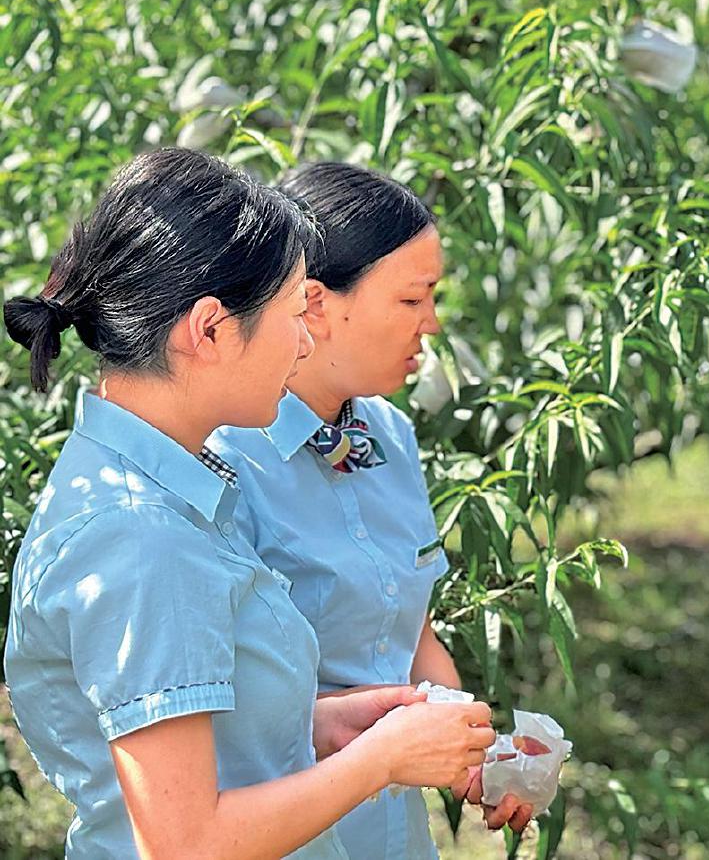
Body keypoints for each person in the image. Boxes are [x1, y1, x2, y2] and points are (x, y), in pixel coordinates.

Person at [2, 148, 495, 858]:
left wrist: (319, 724)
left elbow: (195, 733)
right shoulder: (141, 536)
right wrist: (379, 760)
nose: (304, 343)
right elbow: (186, 843)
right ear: (209, 329)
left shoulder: (169, 490)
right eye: (293, 314)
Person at [208, 161, 533, 859]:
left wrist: (476, 751)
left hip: (389, 833)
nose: (432, 324)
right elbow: (203, 698)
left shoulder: (388, 434)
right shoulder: (223, 458)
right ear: (316, 305)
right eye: (413, 299)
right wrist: (378, 743)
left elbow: (410, 635)